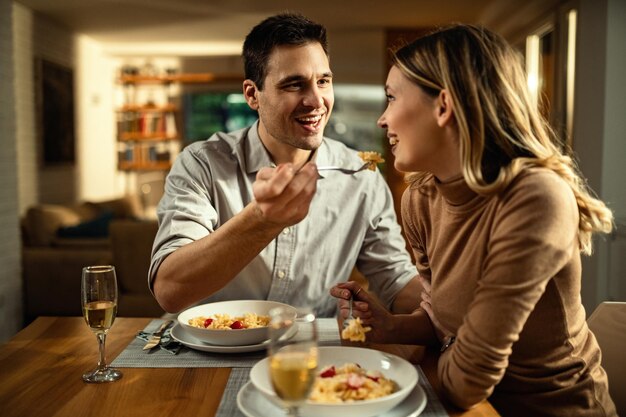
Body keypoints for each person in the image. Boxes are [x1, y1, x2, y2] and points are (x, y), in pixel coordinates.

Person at [330, 24, 617, 416]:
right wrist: (390, 326)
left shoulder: (535, 198)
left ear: (443, 106)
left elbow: (466, 383)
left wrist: (445, 347)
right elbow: (441, 319)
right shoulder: (420, 198)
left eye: (391, 98)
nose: (382, 120)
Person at [148, 12, 420, 318]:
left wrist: (458, 308)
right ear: (253, 94)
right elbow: (170, 291)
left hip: (311, 356)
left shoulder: (361, 176)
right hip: (210, 356)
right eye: (294, 85)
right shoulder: (202, 163)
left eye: (323, 81)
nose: (316, 101)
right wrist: (262, 219)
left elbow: (396, 282)